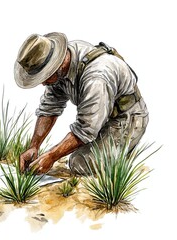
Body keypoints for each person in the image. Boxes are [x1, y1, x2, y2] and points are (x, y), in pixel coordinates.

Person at [14, 32, 148, 175]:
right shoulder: (63, 63)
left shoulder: (96, 76)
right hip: (100, 116)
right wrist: (34, 146)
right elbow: (50, 107)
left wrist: (51, 156)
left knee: (79, 162)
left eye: (44, 76)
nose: (42, 83)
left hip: (126, 118)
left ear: (56, 64)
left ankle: (120, 157)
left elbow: (86, 129)